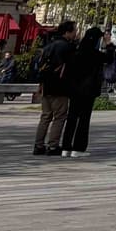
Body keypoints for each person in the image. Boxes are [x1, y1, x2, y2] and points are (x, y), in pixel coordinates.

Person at [31, 19, 78, 156]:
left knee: (45, 116)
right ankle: (53, 146)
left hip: (46, 85)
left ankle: (38, 145)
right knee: (59, 116)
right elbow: (72, 67)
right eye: (74, 30)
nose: (76, 33)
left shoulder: (48, 46)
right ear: (67, 32)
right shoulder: (67, 47)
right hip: (60, 86)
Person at [60, 27, 107, 157]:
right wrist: (109, 44)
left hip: (74, 90)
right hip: (88, 90)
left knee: (72, 118)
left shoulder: (75, 52)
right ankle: (78, 148)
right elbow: (110, 58)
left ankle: (65, 147)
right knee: (84, 119)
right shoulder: (95, 54)